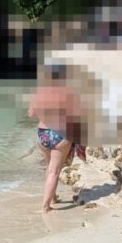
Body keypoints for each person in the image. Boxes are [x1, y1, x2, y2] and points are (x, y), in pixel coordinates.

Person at [27, 63, 82, 213]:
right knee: (54, 171)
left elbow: (31, 114)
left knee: (48, 167)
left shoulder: (38, 92)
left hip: (43, 133)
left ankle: (53, 198)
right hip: (60, 133)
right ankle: (46, 207)